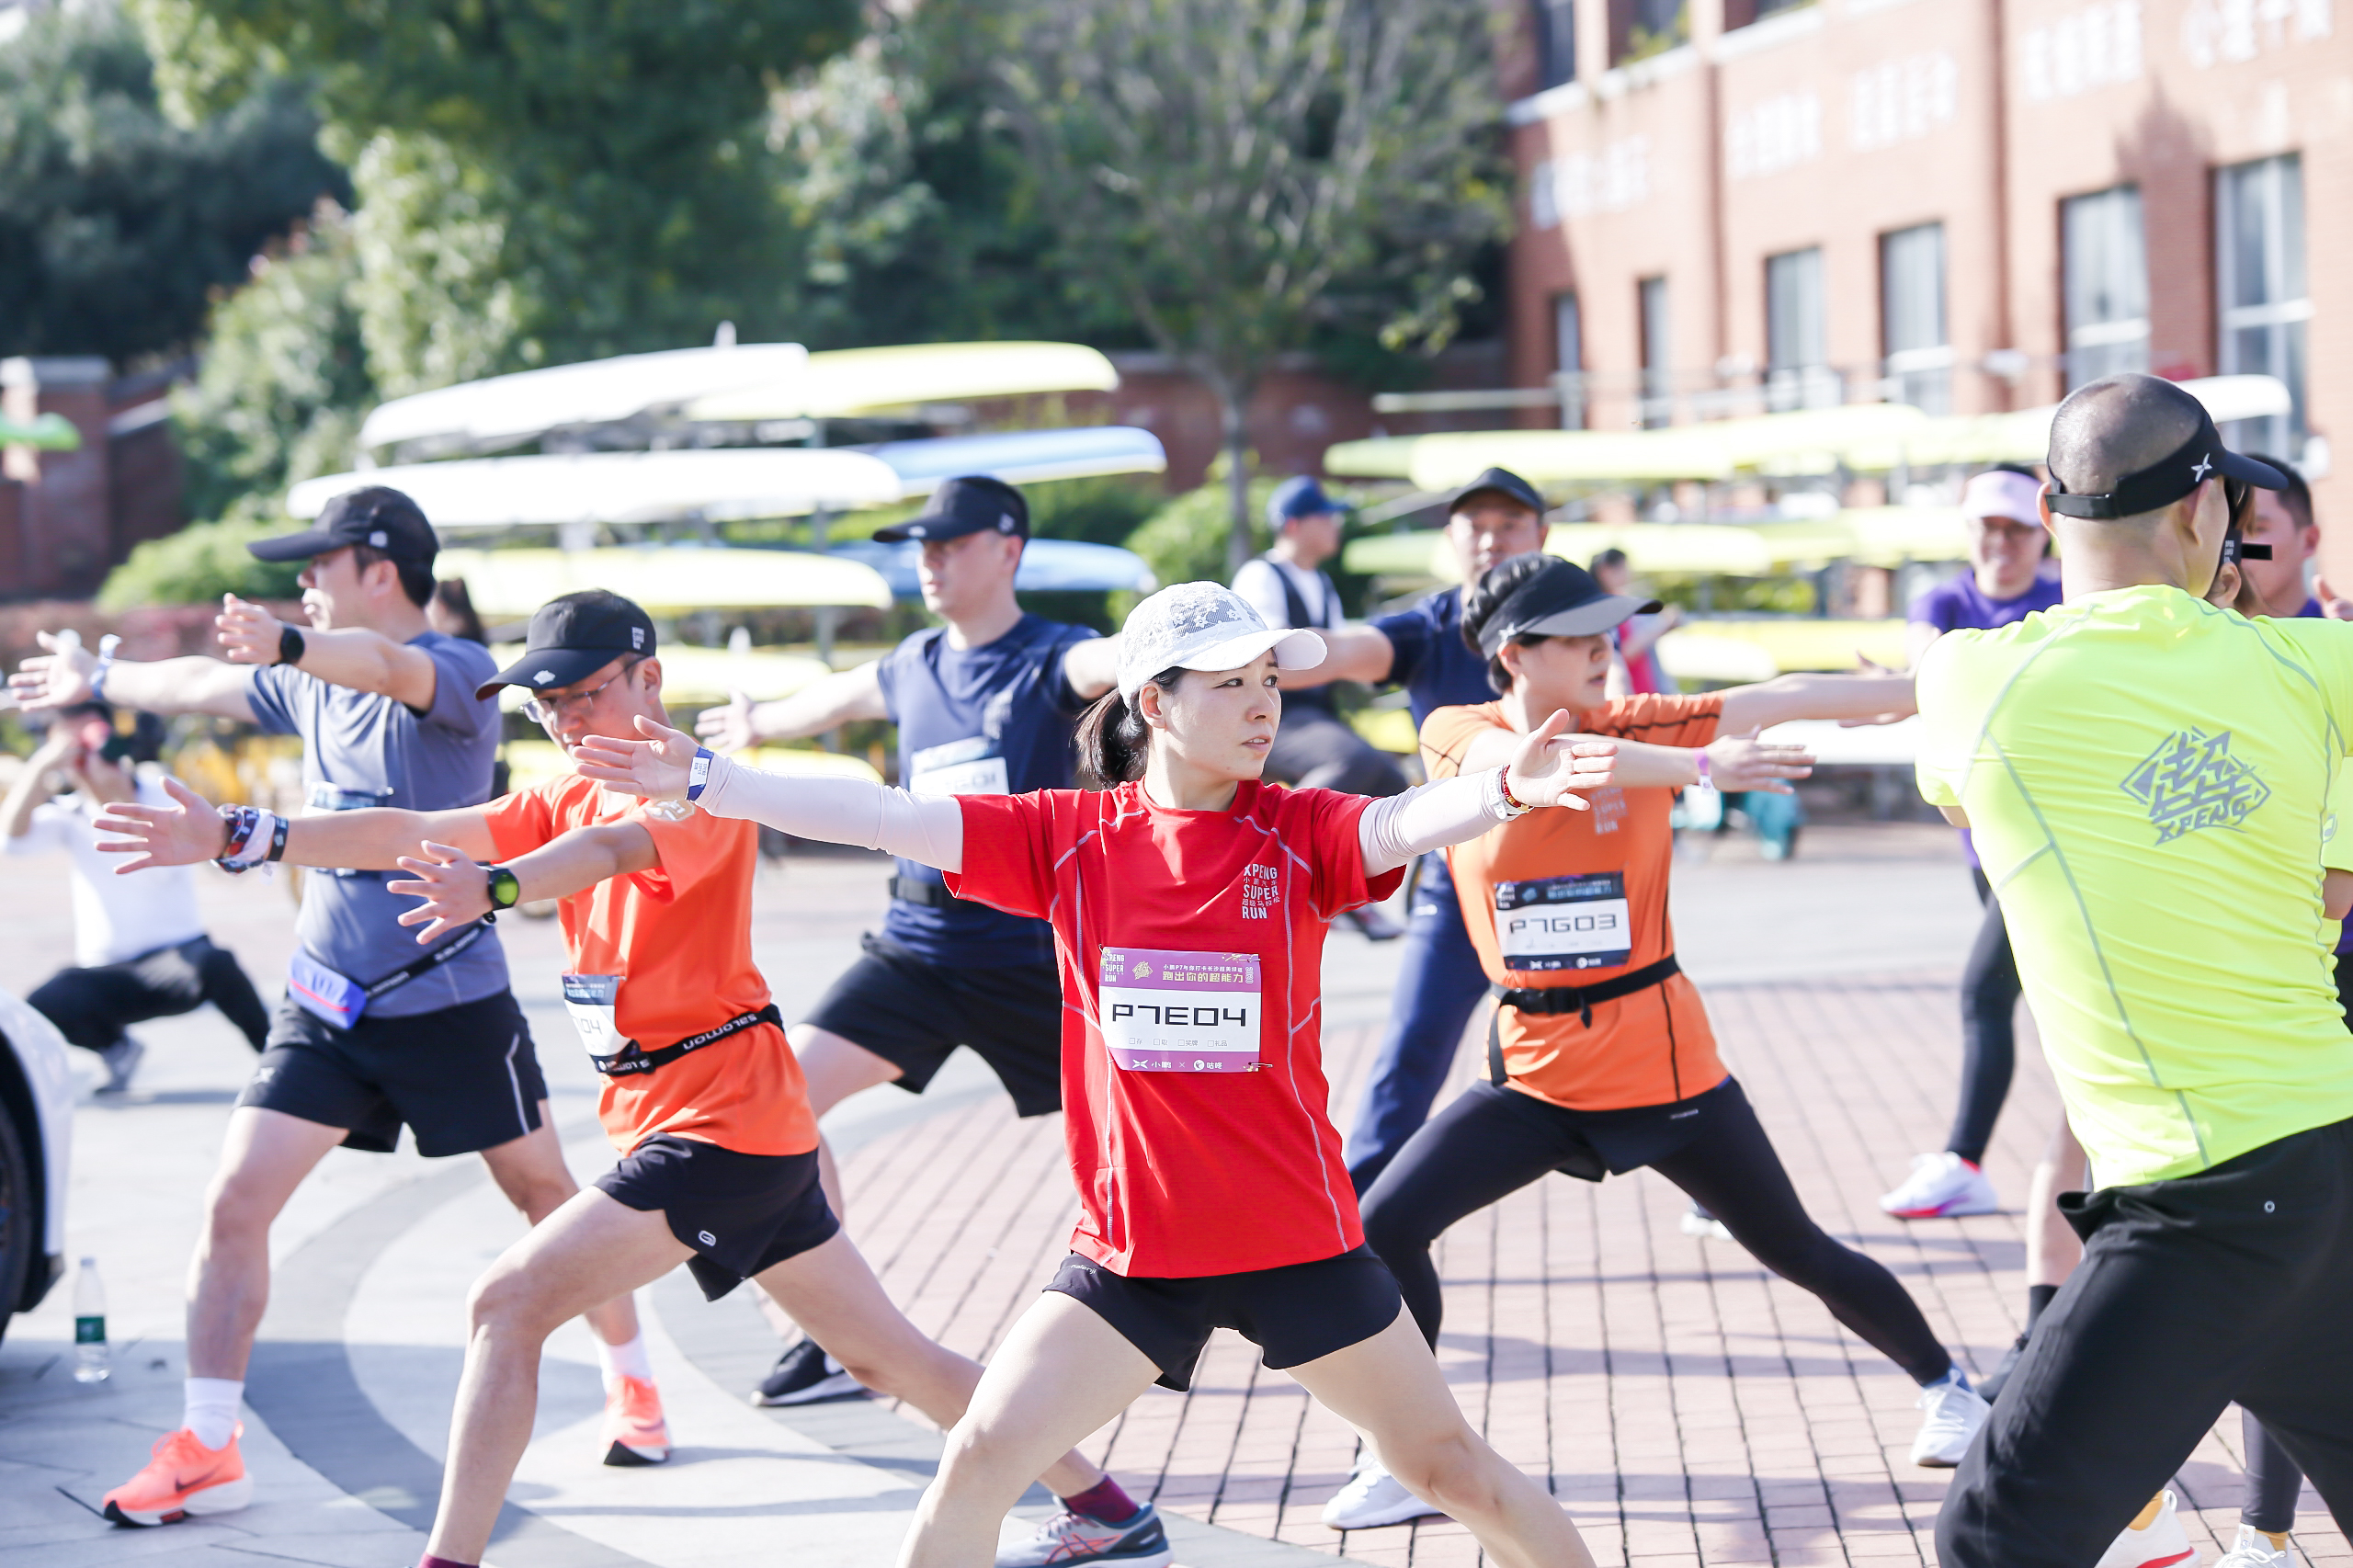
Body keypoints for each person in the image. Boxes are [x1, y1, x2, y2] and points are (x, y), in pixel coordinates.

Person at [574, 581, 1625, 1568]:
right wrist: (711, 778)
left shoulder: (1298, 830)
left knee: (1447, 1468)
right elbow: (884, 815)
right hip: (1134, 1257)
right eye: (1230, 682)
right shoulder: (1066, 838)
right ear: (1152, 703)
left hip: (1295, 1240)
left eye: (1269, 679)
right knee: (980, 1455)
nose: (1263, 704)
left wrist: (1503, 790)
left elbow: (1399, 820)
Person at [97, 589, 1149, 1568]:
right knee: (893, 1361)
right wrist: (244, 832)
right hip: (716, 1124)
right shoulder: (559, 787)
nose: (564, 717)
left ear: (649, 678)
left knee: (506, 1301)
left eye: (583, 691)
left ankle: (446, 1559)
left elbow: (603, 851)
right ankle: (1107, 1506)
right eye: (545, 701)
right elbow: (409, 827)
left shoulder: (701, 786)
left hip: (722, 1127)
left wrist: (498, 885)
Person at [8, 488, 660, 1526]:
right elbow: (204, 681)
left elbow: (386, 668)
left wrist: (292, 642)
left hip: (450, 1006)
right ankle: (209, 1444)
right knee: (235, 1200)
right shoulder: (310, 683)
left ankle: (633, 1378)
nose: (304, 582)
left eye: (320, 565)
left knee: (545, 1195)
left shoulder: (454, 672)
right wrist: (101, 674)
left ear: (380, 570)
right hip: (326, 1008)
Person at [1341, 552, 1985, 1529]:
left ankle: (1949, 1390)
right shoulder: (1456, 732)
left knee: (1794, 1245)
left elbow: (1785, 697)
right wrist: (1701, 769)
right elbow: (1538, 766)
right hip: (1533, 1077)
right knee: (1385, 1226)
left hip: (1664, 1069)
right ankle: (1408, 1453)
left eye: (1608, 629)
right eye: (1578, 636)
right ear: (1513, 653)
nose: (1606, 646)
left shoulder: (1640, 723)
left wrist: (1926, 683)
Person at [1916, 374, 2353, 1568]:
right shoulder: (2316, 667)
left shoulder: (1971, 680)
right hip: (2325, 1151)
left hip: (2201, 1189)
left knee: (1993, 1537)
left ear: (2048, 512)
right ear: (2206, 508)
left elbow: (1953, 791)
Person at [693, 475, 1120, 1410]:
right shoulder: (912, 663)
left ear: (1008, 550)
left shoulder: (1054, 656)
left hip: (1036, 961)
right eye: (923, 547)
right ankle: (835, 1336)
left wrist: (1181, 648)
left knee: (1153, 1134)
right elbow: (830, 701)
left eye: (950, 544)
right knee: (779, 1099)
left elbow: (1110, 662)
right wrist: (757, 723)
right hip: (916, 952)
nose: (930, 561)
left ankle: (1232, 1292)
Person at [1294, 466, 1554, 1191]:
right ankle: (1357, 1218)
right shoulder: (1429, 628)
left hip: (1568, 878)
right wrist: (1240, 657)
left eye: (1510, 524)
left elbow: (1625, 704)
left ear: (1542, 533)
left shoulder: (1575, 621)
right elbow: (1343, 650)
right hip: (1461, 878)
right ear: (1452, 537)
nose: (1493, 540)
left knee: (1623, 1030)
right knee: (1412, 1051)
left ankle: (1719, 1175)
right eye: (1477, 526)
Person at [1879, 465, 2066, 1221]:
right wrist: (1900, 687)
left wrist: (1915, 691)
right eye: (1989, 528)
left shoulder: (2064, 601)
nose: (2002, 543)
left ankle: (1965, 1161)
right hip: (1984, 842)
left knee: (1986, 994)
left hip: (2053, 842)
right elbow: (1922, 662)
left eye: (2017, 529)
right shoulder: (1944, 601)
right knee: (2051, 1000)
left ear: (2042, 534)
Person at [1, 700, 270, 1089]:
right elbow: (10, 839)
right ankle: (116, 1048)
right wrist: (43, 765)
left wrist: (114, 794)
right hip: (109, 973)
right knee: (46, 1002)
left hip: (176, 962)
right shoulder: (70, 814)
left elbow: (171, 868)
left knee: (218, 963)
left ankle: (275, 1057)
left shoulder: (159, 790)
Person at [1231, 475, 1409, 799]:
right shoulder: (1260, 576)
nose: (1335, 524)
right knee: (1351, 760)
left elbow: (1345, 654)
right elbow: (1271, 661)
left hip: (1318, 717)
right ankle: (1275, 828)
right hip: (1269, 715)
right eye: (1325, 516)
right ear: (1294, 525)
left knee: (1392, 782)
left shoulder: (1322, 583)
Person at [1589, 547, 1679, 697]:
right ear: (1605, 571)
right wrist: (1662, 624)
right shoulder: (1601, 608)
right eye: (1623, 568)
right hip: (1627, 692)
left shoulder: (1619, 601)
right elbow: (1621, 653)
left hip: (1641, 688)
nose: (1628, 574)